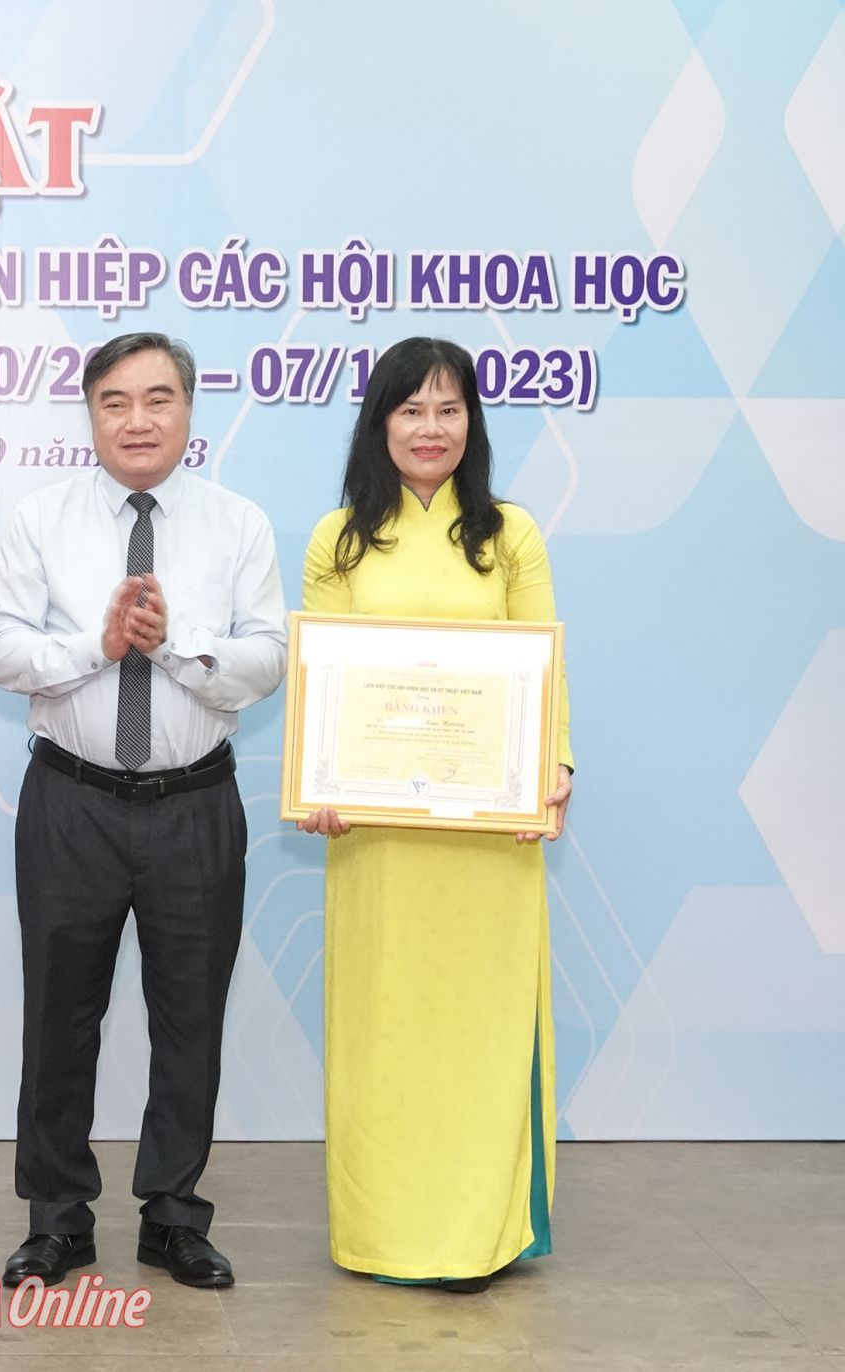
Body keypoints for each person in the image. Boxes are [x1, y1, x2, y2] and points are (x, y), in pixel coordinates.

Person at [0, 332, 287, 1290]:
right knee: (58, 1016)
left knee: (190, 1017)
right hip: (71, 801)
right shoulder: (41, 518)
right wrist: (98, 647)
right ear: (91, 415)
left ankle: (174, 1216)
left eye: (158, 399)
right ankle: (57, 1219)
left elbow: (268, 659)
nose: (138, 420)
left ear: (190, 410)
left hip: (195, 805)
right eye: (115, 401)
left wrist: (175, 644)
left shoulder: (239, 524)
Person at [299, 335, 573, 1292]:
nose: (430, 428)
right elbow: (319, 682)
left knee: (477, 1037)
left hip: (488, 842)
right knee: (385, 1040)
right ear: (380, 424)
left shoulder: (510, 535)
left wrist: (553, 766)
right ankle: (382, 1232)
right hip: (376, 842)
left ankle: (479, 1236)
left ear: (472, 424)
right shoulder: (339, 539)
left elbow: (545, 665)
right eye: (411, 409)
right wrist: (317, 783)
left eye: (449, 410)